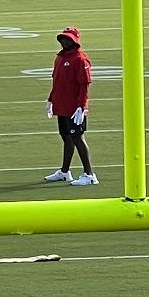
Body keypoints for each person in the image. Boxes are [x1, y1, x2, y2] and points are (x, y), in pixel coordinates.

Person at [45, 26, 97, 186]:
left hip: (74, 108)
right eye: (63, 38)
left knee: (77, 138)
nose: (65, 41)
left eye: (68, 39)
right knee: (66, 137)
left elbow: (84, 84)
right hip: (62, 105)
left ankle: (89, 174)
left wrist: (82, 106)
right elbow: (57, 81)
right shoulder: (60, 58)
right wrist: (51, 99)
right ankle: (65, 171)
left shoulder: (80, 59)